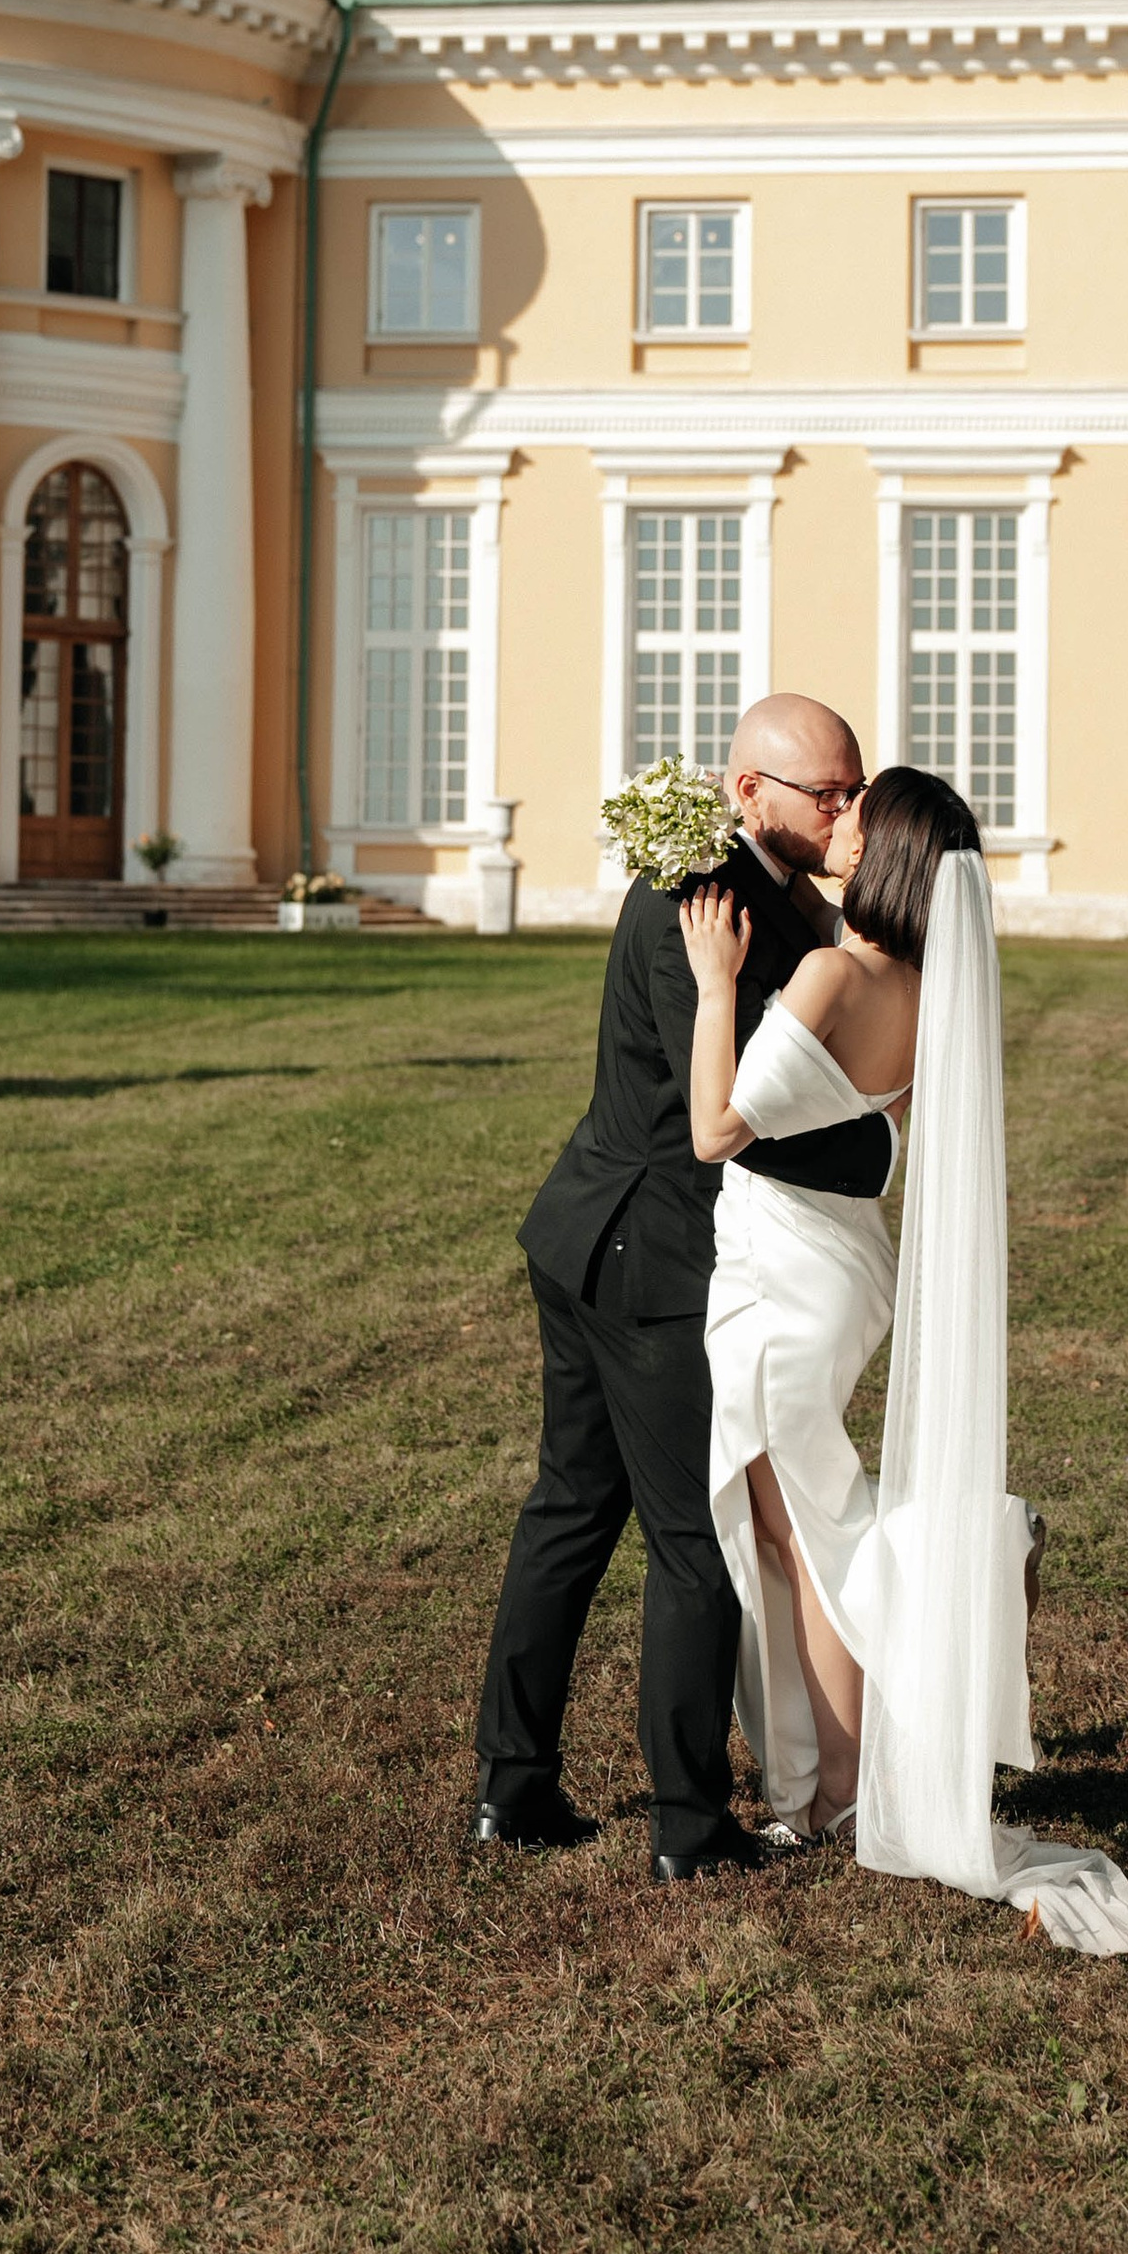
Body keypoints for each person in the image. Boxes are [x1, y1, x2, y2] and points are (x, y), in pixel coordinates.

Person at [681, 767, 1128, 1956]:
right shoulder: (921, 990)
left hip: (779, 1295)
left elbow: (714, 1130)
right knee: (811, 1523)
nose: (836, 823)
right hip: (840, 1278)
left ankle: (839, 1786)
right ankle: (838, 1773)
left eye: (856, 813)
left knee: (803, 1534)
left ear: (887, 848)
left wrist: (712, 987)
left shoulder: (832, 974)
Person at [471, 696, 897, 1882]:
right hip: (642, 1257)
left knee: (572, 1510)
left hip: (593, 1231)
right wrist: (881, 1150)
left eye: (855, 786)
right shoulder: (702, 903)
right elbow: (741, 1121)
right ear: (750, 790)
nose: (847, 808)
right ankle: (688, 1826)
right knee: (686, 1540)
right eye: (828, 792)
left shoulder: (760, 887)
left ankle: (516, 1791)